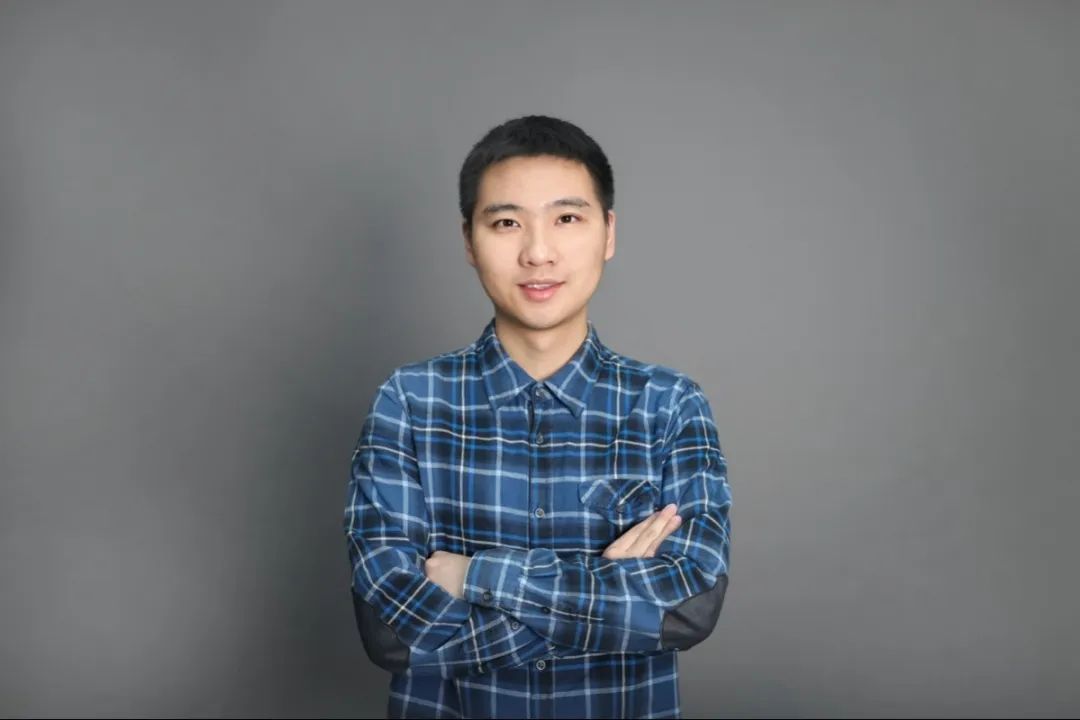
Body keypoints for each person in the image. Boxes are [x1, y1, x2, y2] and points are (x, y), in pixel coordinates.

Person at [343, 115, 732, 719]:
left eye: (567, 219)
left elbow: (689, 607)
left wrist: (477, 576)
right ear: (469, 241)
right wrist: (606, 591)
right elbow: (391, 633)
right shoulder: (410, 402)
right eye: (506, 223)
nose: (538, 252)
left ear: (608, 233)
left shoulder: (669, 404)